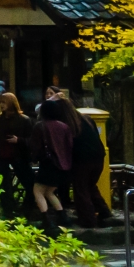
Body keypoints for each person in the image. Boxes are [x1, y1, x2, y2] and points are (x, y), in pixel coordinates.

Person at [30, 98, 75, 234]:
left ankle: (46, 220)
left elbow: (35, 147)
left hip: (48, 164)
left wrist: (33, 159)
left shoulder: (40, 126)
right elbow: (70, 146)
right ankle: (62, 216)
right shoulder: (64, 126)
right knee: (49, 191)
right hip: (63, 166)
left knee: (37, 191)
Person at [0, 91, 32, 218]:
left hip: (19, 154)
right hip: (1, 153)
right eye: (0, 102)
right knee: (3, 184)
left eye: (4, 102)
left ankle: (27, 208)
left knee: (29, 182)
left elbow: (31, 139)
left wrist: (19, 140)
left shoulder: (24, 120)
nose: (1, 105)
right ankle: (8, 210)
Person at [68, 105, 110, 228]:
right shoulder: (86, 119)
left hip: (82, 159)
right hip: (98, 156)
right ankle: (103, 211)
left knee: (81, 189)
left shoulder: (70, 124)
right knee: (90, 186)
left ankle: (88, 219)